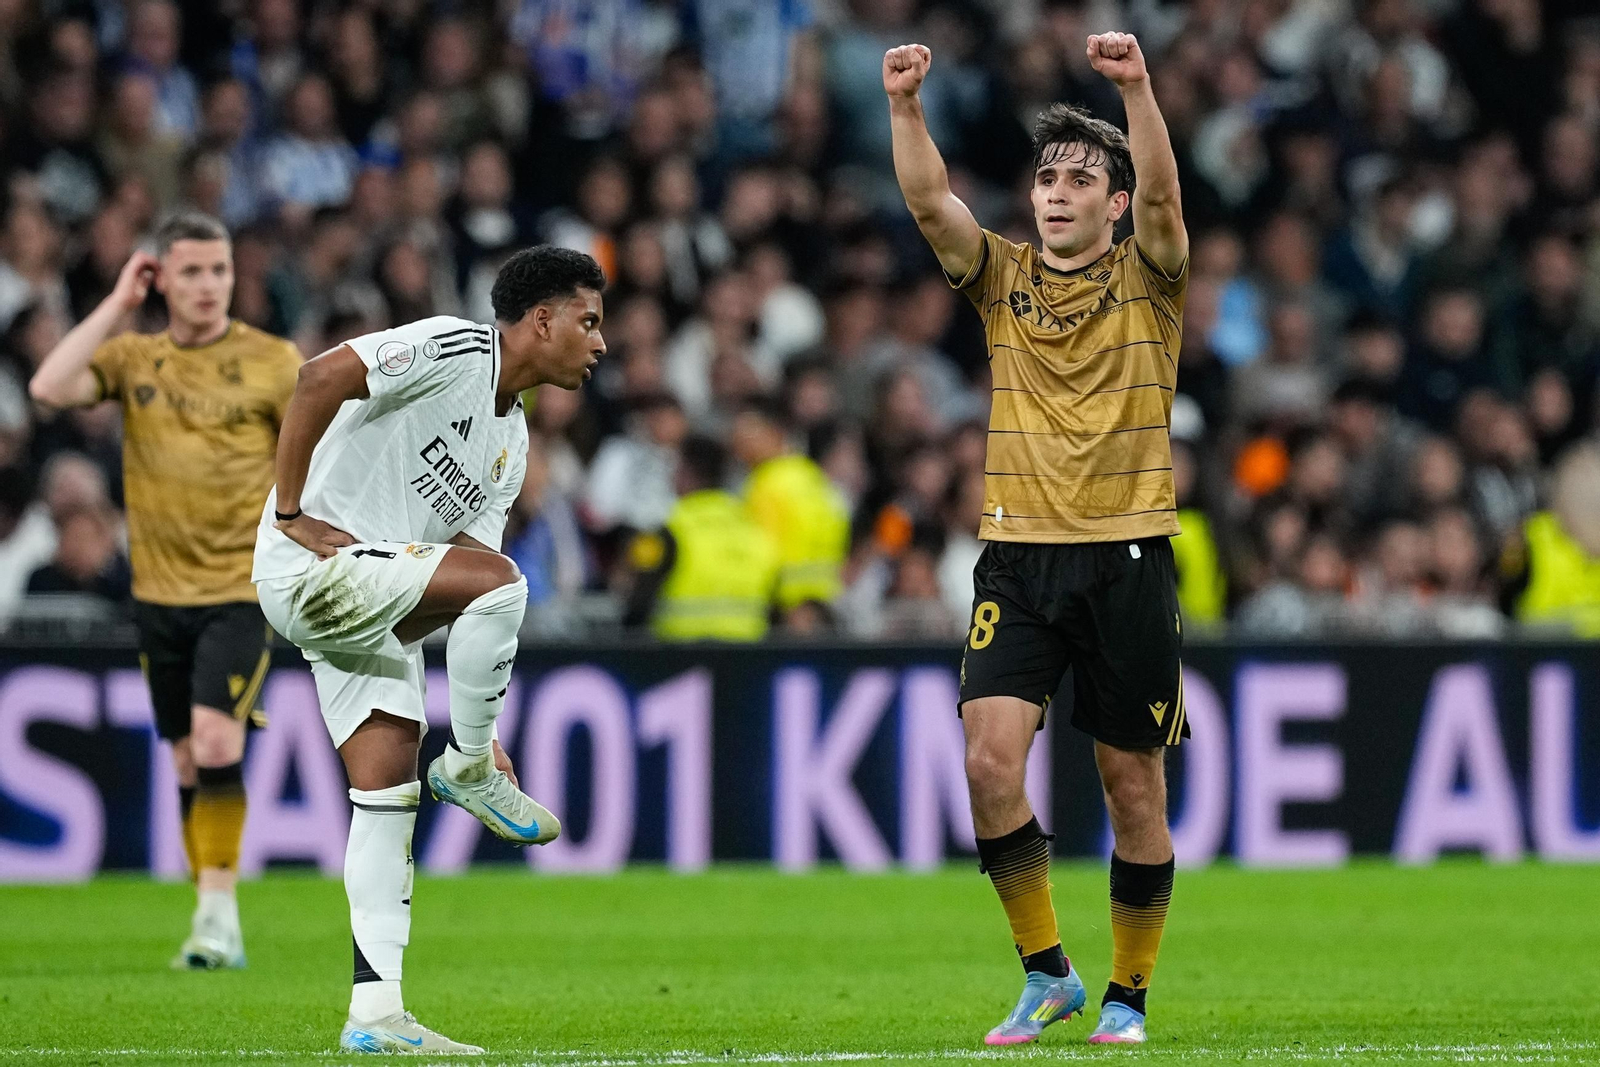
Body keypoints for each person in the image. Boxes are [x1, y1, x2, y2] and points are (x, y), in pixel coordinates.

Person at [886, 31, 1188, 1046]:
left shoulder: (1152, 275)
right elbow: (931, 204)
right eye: (1045, 176)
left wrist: (1136, 89)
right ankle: (1047, 970)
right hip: (1016, 556)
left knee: (1129, 782)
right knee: (984, 762)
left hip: (1129, 553)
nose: (1056, 192)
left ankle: (1130, 992)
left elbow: (1163, 203)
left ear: (1112, 201)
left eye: (1079, 180)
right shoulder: (1000, 277)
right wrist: (903, 108)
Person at [252, 245, 605, 1054]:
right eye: (587, 321)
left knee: (386, 798)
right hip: (317, 563)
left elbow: (461, 597)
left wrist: (489, 725)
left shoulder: (510, 448)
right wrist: (293, 512)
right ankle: (469, 768)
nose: (599, 342)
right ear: (540, 318)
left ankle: (375, 1014)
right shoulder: (453, 346)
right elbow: (316, 377)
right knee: (509, 580)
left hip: (372, 594)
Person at [29, 212, 302, 970]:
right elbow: (48, 385)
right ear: (160, 276)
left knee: (216, 740)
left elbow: (321, 451)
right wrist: (118, 302)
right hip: (157, 595)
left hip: (240, 588)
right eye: (191, 271)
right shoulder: (134, 357)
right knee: (188, 761)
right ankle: (216, 913)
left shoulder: (273, 361)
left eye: (220, 270)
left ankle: (216, 915)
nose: (210, 285)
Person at [622, 434, 780, 641]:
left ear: (687, 474)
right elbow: (774, 599)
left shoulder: (667, 532)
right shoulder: (755, 531)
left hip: (680, 656)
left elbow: (640, 597)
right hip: (746, 653)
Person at [729, 396, 850, 618]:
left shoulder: (765, 484)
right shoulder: (811, 475)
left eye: (746, 440)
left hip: (785, 601)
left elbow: (762, 547)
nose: (740, 450)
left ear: (774, 434)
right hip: (826, 597)